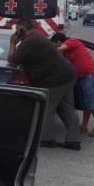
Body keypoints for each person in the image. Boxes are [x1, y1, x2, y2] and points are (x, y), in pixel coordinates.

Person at [8, 18, 81, 150]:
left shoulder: (29, 42)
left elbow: (13, 61)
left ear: (21, 30)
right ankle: (73, 141)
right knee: (66, 108)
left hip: (54, 79)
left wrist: (12, 43)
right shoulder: (37, 37)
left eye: (16, 29)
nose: (15, 32)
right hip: (68, 74)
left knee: (45, 107)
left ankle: (48, 139)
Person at [50, 32, 94, 136]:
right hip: (82, 77)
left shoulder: (72, 41)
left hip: (89, 74)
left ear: (58, 42)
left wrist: (48, 49)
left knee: (90, 103)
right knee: (86, 102)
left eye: (54, 45)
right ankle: (84, 126)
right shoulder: (66, 53)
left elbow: (60, 49)